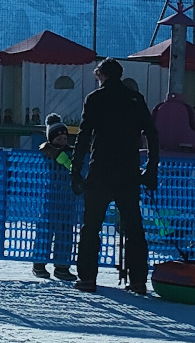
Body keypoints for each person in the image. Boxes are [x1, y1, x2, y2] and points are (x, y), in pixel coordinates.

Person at [70, 58, 162, 295]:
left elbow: (83, 136)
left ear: (101, 74)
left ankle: (87, 278)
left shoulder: (95, 99)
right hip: (129, 173)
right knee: (134, 228)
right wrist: (151, 168)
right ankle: (138, 280)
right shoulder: (135, 99)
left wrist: (76, 170)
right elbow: (152, 134)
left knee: (91, 227)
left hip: (100, 170)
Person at [32, 114, 77, 281]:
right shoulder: (48, 151)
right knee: (45, 230)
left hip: (67, 200)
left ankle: (62, 266)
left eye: (65, 137)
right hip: (51, 198)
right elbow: (46, 150)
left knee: (65, 232)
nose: (62, 140)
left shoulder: (72, 152)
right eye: (58, 138)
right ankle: (39, 263)